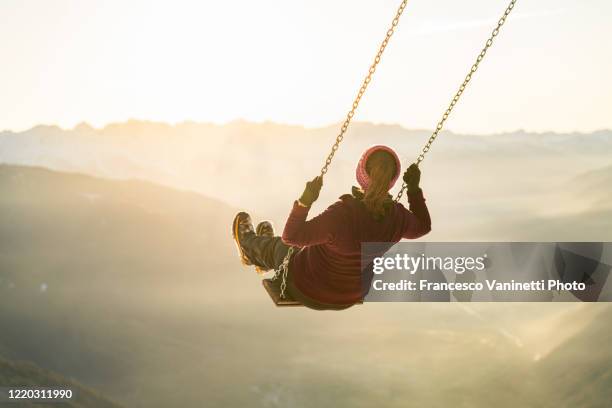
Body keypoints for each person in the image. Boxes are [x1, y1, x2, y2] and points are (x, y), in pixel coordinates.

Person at [232, 145, 431, 310]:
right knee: (302, 247)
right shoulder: (398, 218)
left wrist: (304, 202)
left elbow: (291, 236)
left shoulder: (343, 214)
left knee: (282, 247)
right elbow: (422, 227)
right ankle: (263, 255)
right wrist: (413, 190)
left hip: (308, 289)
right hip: (351, 296)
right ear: (392, 181)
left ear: (361, 174)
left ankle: (249, 248)